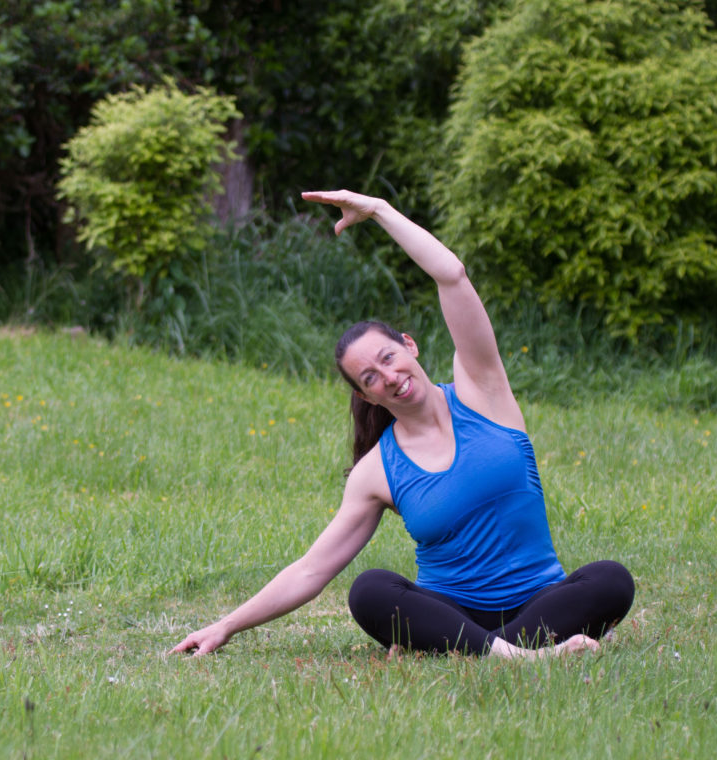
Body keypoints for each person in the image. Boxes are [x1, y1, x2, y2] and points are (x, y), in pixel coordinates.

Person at [171, 190, 635, 660]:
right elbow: (312, 570)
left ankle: (476, 652)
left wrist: (377, 210)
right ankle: (520, 656)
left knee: (611, 580)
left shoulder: (482, 391)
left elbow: (451, 275)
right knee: (369, 590)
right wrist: (226, 626)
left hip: (540, 600)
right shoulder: (377, 471)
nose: (389, 378)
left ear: (409, 346)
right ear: (364, 395)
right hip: (450, 611)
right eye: (370, 377)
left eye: (388, 357)